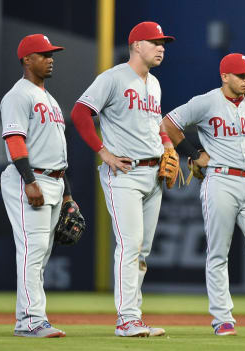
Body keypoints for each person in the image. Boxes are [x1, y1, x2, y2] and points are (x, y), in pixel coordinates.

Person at [162, 53, 245, 337]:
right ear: (225, 76)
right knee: (218, 253)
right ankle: (222, 319)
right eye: (240, 74)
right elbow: (169, 123)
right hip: (220, 181)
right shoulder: (207, 101)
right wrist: (194, 154)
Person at [71, 21, 175, 337]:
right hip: (124, 173)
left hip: (153, 174)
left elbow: (155, 122)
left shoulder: (154, 84)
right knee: (130, 245)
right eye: (155, 42)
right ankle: (126, 320)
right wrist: (103, 152)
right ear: (136, 45)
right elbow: (79, 113)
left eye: (163, 43)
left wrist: (167, 144)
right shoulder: (114, 78)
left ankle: (134, 316)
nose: (161, 47)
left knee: (142, 251)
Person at [0, 34, 76, 337]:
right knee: (34, 249)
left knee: (41, 253)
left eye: (51, 54)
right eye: (43, 54)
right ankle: (32, 320)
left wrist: (68, 194)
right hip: (30, 178)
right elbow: (15, 140)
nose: (50, 58)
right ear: (26, 60)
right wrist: (30, 181)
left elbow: (57, 150)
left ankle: (26, 319)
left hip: (54, 180)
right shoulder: (18, 95)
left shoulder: (50, 99)